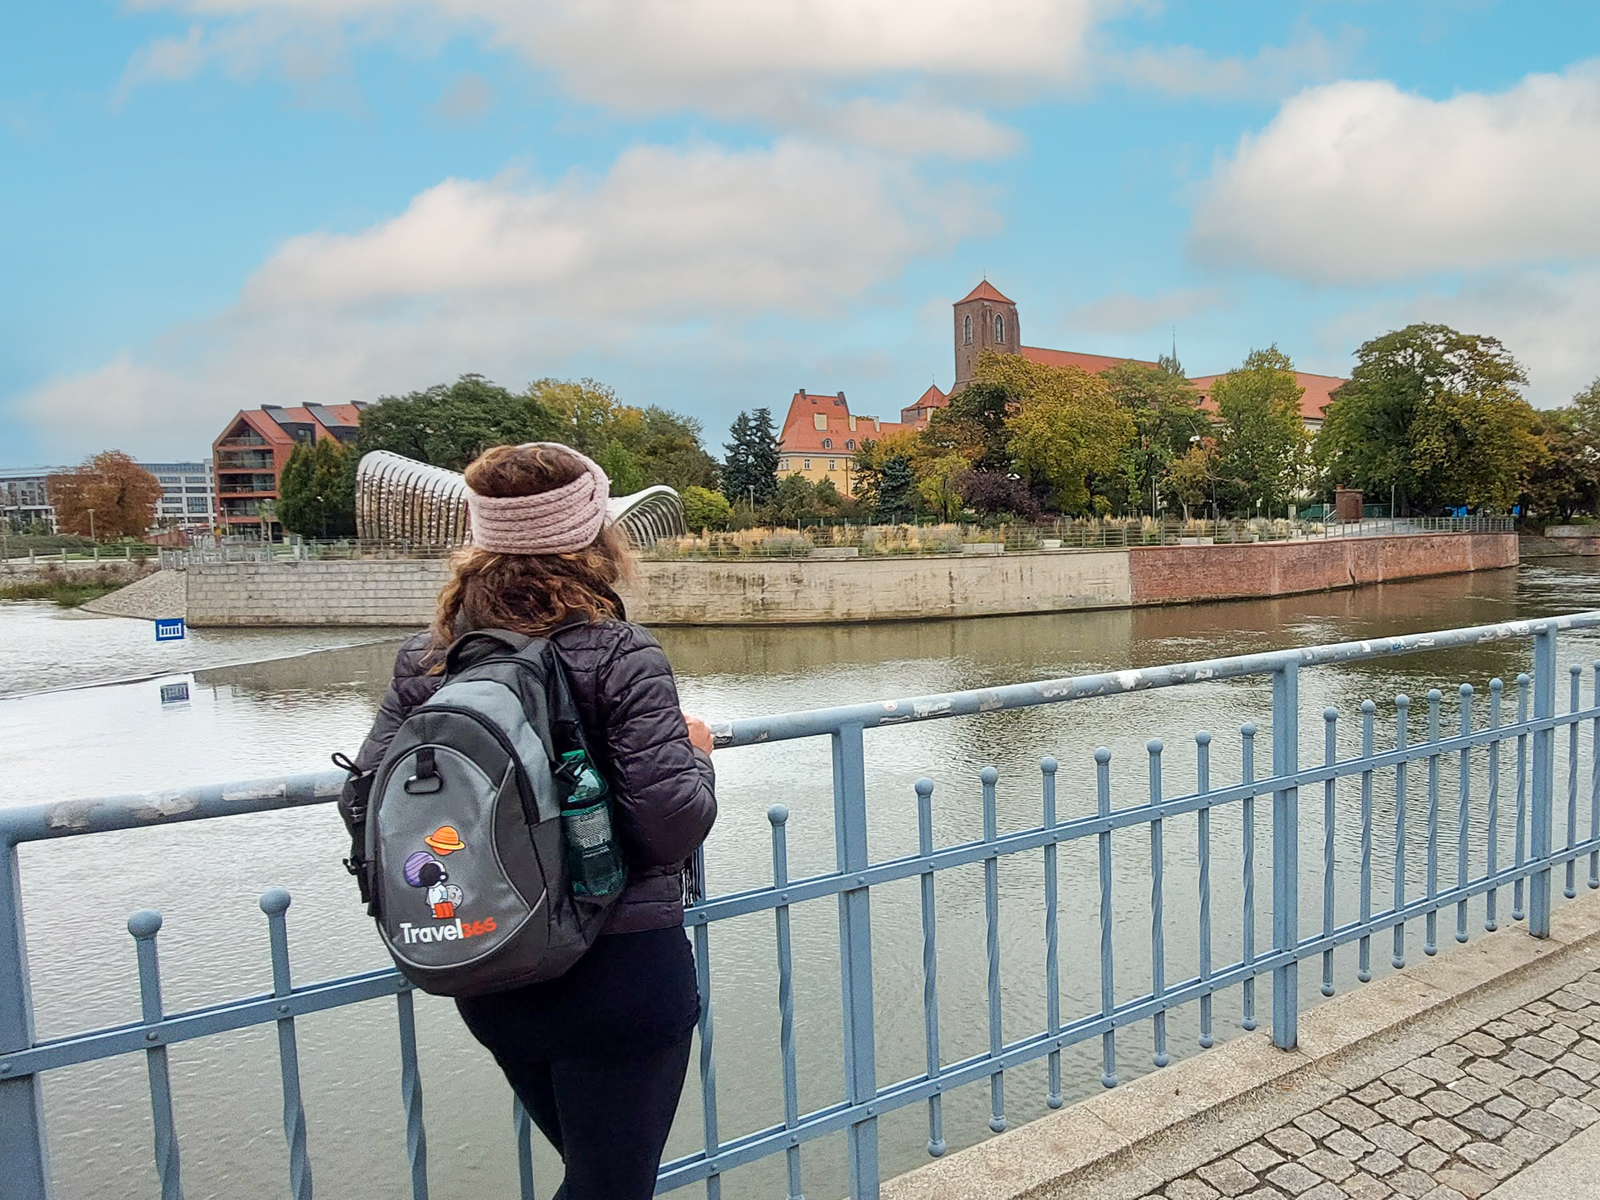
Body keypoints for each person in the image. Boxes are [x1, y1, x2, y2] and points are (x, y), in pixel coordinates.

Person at [339, 442, 717, 1200]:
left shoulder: (433, 658)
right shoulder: (619, 653)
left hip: (490, 960)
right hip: (618, 968)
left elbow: (362, 802)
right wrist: (696, 755)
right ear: (597, 539)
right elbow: (669, 825)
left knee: (595, 1180)